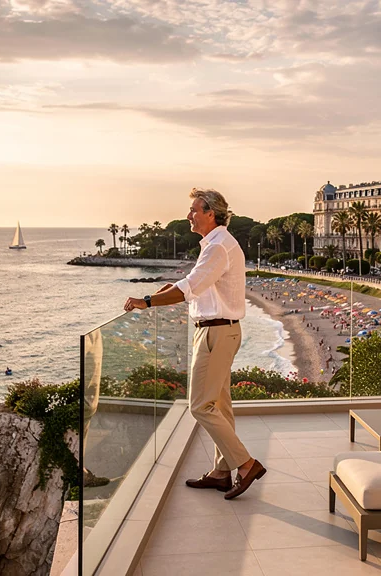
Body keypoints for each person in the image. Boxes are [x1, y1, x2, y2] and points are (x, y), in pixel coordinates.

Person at [123, 188, 265, 500]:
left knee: (200, 405)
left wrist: (147, 301)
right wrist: (169, 288)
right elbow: (197, 283)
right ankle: (220, 472)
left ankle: (245, 464)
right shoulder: (216, 245)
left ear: (210, 213)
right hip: (220, 330)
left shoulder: (218, 248)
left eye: (194, 210)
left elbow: (190, 287)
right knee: (220, 406)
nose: (189, 215)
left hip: (216, 333)